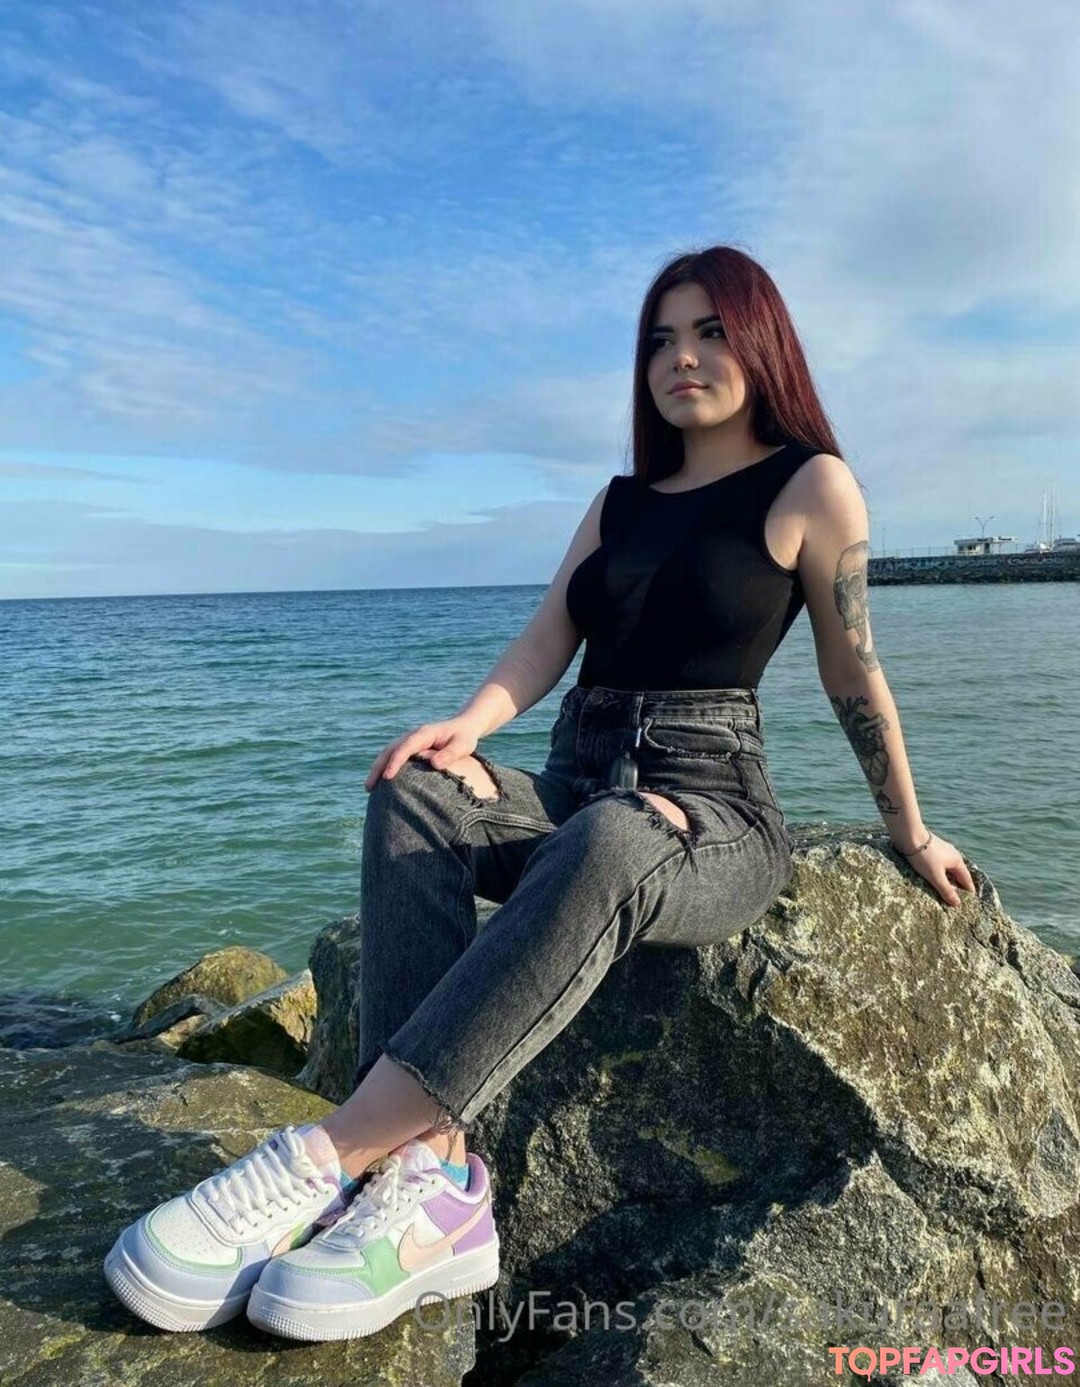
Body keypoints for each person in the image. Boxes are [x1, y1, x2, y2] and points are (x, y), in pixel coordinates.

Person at [103, 245, 976, 1342]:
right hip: (576, 776)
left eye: (709, 332)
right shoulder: (620, 501)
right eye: (660, 339)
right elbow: (549, 635)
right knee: (417, 793)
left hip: (713, 810)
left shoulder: (812, 484)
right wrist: (469, 728)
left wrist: (912, 829)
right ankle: (428, 1183)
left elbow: (854, 670)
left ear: (762, 340)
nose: (682, 357)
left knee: (614, 835)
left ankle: (328, 1154)